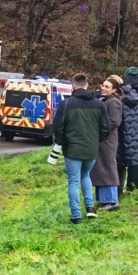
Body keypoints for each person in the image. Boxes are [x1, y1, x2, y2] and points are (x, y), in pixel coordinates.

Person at [53, 73, 110, 224]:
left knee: (73, 181)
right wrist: (97, 141)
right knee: (86, 176)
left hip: (72, 149)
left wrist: (62, 143)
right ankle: (90, 209)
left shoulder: (66, 104)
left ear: (73, 85)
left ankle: (76, 216)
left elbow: (58, 127)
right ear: (86, 84)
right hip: (91, 149)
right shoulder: (99, 104)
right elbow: (106, 128)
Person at [92, 75, 123, 210]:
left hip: (108, 140)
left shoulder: (113, 102)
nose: (103, 88)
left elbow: (115, 121)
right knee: (101, 168)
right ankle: (104, 200)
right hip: (103, 139)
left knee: (107, 168)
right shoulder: (106, 100)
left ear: (114, 90)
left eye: (107, 87)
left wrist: (99, 128)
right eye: (103, 85)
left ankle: (111, 201)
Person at [117, 67, 138, 193]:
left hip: (121, 131)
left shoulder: (119, 95)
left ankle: (118, 187)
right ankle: (132, 187)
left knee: (120, 161)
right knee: (135, 159)